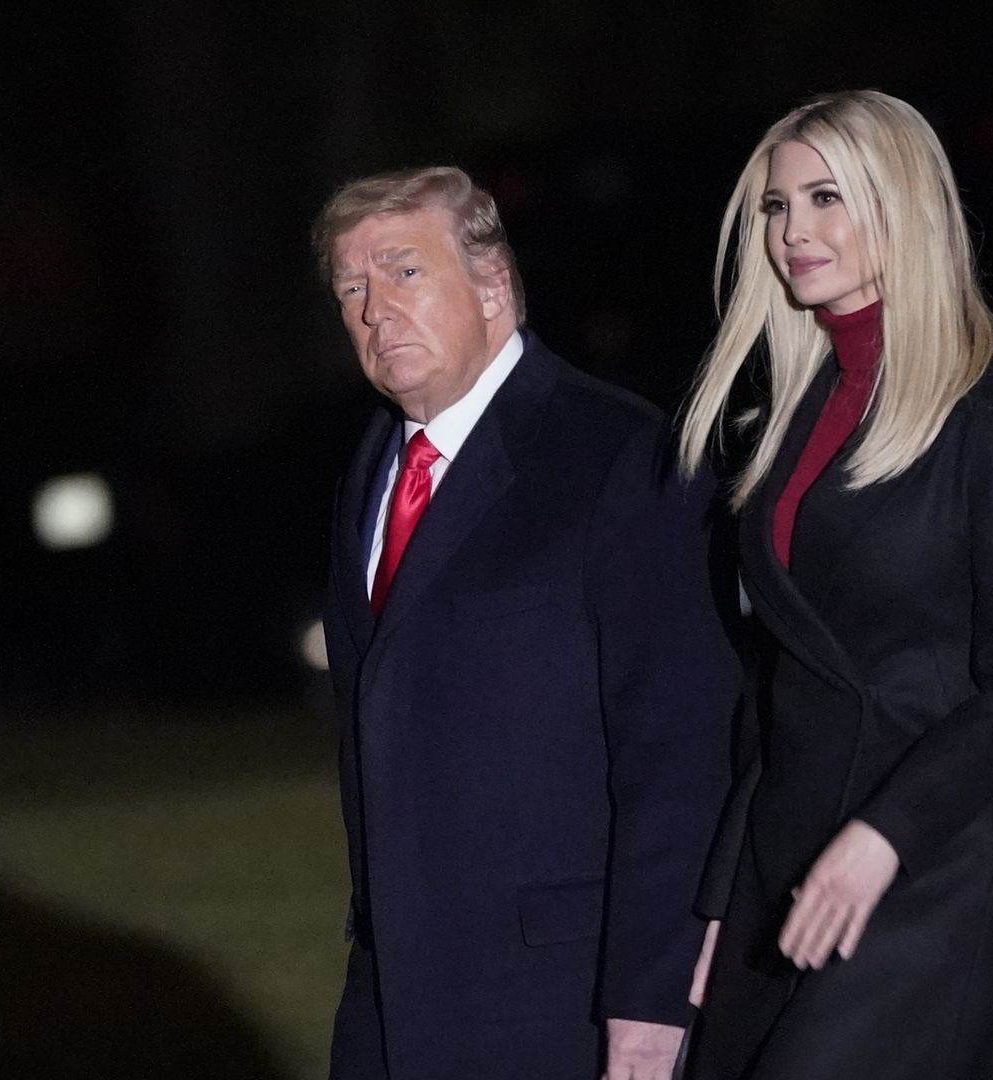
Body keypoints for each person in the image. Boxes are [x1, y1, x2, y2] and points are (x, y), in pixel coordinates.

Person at [675, 90, 993, 1079]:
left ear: (901, 206)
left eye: (827, 199)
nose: (793, 233)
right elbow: (771, 694)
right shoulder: (779, 426)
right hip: (788, 865)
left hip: (934, 858)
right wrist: (721, 899)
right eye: (777, 208)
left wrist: (882, 837)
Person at [313, 166, 740, 1080]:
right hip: (393, 1002)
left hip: (563, 1004)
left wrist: (652, 998)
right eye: (351, 287)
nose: (374, 310)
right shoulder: (371, 471)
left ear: (494, 286)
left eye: (403, 272)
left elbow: (681, 745)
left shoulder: (617, 455)